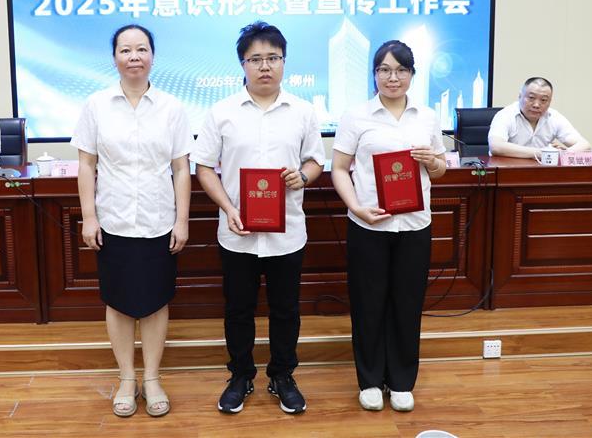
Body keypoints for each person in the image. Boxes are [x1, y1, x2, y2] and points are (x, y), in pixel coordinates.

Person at [191, 21, 325, 416]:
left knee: (286, 311)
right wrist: (228, 208)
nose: (265, 66)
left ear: (284, 62)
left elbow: (316, 161)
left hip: (287, 232)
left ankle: (282, 376)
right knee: (238, 310)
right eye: (255, 59)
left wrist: (303, 177)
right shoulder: (221, 112)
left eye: (273, 58)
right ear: (242, 64)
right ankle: (240, 375)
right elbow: (203, 167)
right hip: (238, 231)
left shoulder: (303, 111)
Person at [72, 24, 192, 418]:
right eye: (126, 50)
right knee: (119, 302)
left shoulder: (172, 107)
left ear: (153, 56)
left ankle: (152, 378)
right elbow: (86, 165)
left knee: (156, 302)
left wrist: (182, 221)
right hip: (114, 220)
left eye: (141, 49)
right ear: (114, 58)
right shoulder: (96, 105)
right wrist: (89, 217)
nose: (134, 56)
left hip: (159, 221)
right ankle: (126, 378)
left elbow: (181, 168)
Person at [330, 39, 446, 413]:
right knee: (368, 303)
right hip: (369, 225)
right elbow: (339, 169)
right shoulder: (356, 116)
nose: (392, 77)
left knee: (407, 304)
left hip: (414, 224)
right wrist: (356, 207)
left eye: (400, 70)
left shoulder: (427, 117)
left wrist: (432, 161)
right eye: (384, 70)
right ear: (374, 74)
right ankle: (368, 380)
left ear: (412, 74)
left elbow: (440, 170)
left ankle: (400, 381)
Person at [488, 76, 591, 159]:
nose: (536, 105)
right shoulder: (505, 115)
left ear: (550, 101)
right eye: (531, 98)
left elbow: (585, 145)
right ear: (520, 96)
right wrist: (542, 153)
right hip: (507, 171)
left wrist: (562, 154)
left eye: (543, 100)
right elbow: (496, 146)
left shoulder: (554, 117)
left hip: (541, 172)